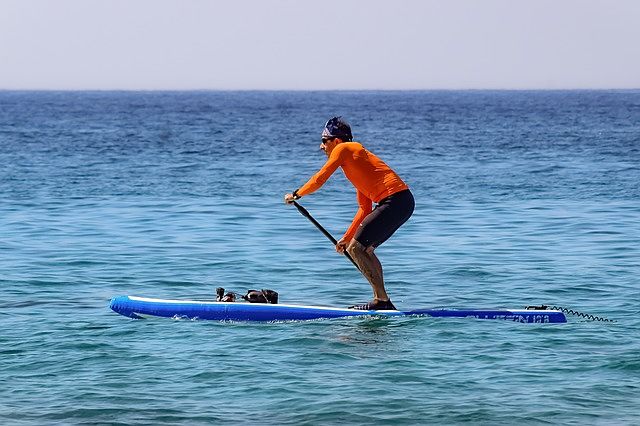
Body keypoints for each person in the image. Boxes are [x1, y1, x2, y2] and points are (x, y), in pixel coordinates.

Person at [284, 117, 414, 310]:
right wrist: (346, 237)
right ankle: (382, 300)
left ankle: (382, 300)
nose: (321, 147)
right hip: (403, 203)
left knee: (356, 249)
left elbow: (320, 178)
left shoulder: (344, 148)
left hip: (395, 201)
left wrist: (296, 194)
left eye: (324, 140)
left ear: (336, 140)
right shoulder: (356, 164)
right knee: (364, 249)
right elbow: (364, 209)